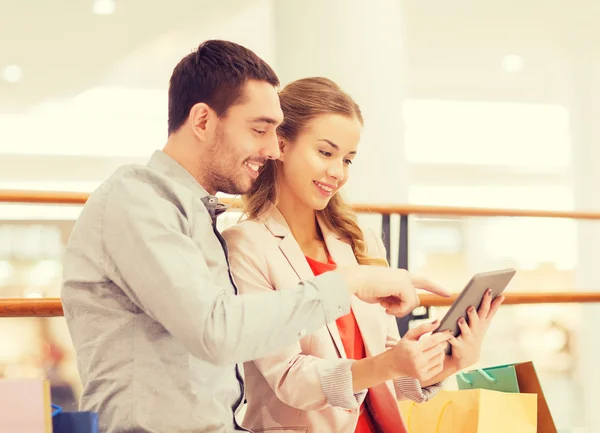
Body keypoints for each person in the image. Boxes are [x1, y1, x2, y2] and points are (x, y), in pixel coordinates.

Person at [61, 41, 450, 433]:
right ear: (202, 121)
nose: (271, 148)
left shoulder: (198, 216)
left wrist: (435, 361)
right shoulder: (137, 198)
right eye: (260, 129)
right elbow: (216, 332)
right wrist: (349, 282)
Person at [222, 77, 505, 433]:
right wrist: (391, 363)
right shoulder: (245, 245)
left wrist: (444, 361)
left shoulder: (359, 241)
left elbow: (384, 372)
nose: (338, 173)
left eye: (348, 159)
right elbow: (291, 379)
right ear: (281, 144)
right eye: (325, 153)